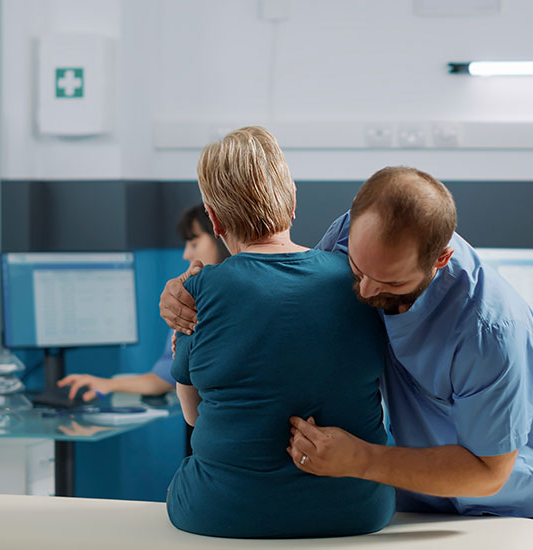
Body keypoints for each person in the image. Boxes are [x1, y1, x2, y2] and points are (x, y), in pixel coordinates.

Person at [161, 165, 533, 526]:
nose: (364, 292)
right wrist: (185, 298)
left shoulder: (490, 328)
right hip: (423, 492)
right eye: (358, 271)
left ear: (440, 260)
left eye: (391, 283)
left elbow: (488, 472)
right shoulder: (347, 237)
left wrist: (361, 459)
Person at [166, 127, 394, 538]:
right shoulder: (358, 281)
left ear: (214, 220)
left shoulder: (199, 290)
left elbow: (194, 416)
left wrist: (181, 337)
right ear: (291, 203)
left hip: (218, 513)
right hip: (358, 511)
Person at [57, 205, 229, 403]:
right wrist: (108, 384)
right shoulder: (187, 302)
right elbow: (167, 376)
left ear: (219, 234)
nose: (186, 254)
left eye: (193, 243)